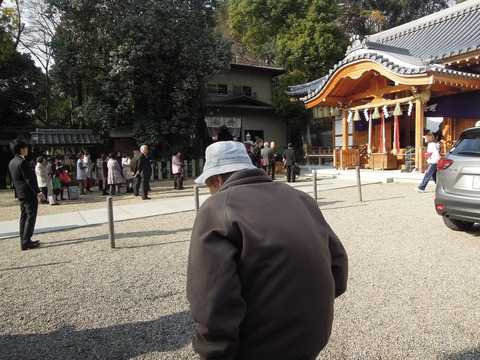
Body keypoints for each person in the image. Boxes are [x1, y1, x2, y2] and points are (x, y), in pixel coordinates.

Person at [187, 141, 348, 359]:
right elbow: (338, 266)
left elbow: (213, 300)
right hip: (313, 336)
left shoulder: (216, 209)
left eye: (209, 187)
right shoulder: (300, 198)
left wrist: (215, 353)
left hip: (260, 347)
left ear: (216, 179)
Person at [8, 139, 46, 250]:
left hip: (20, 193)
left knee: (24, 216)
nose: (27, 150)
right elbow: (29, 179)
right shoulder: (22, 162)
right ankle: (26, 241)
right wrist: (39, 192)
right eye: (26, 148)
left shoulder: (12, 162)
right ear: (22, 149)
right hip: (28, 193)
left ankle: (23, 238)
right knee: (31, 216)